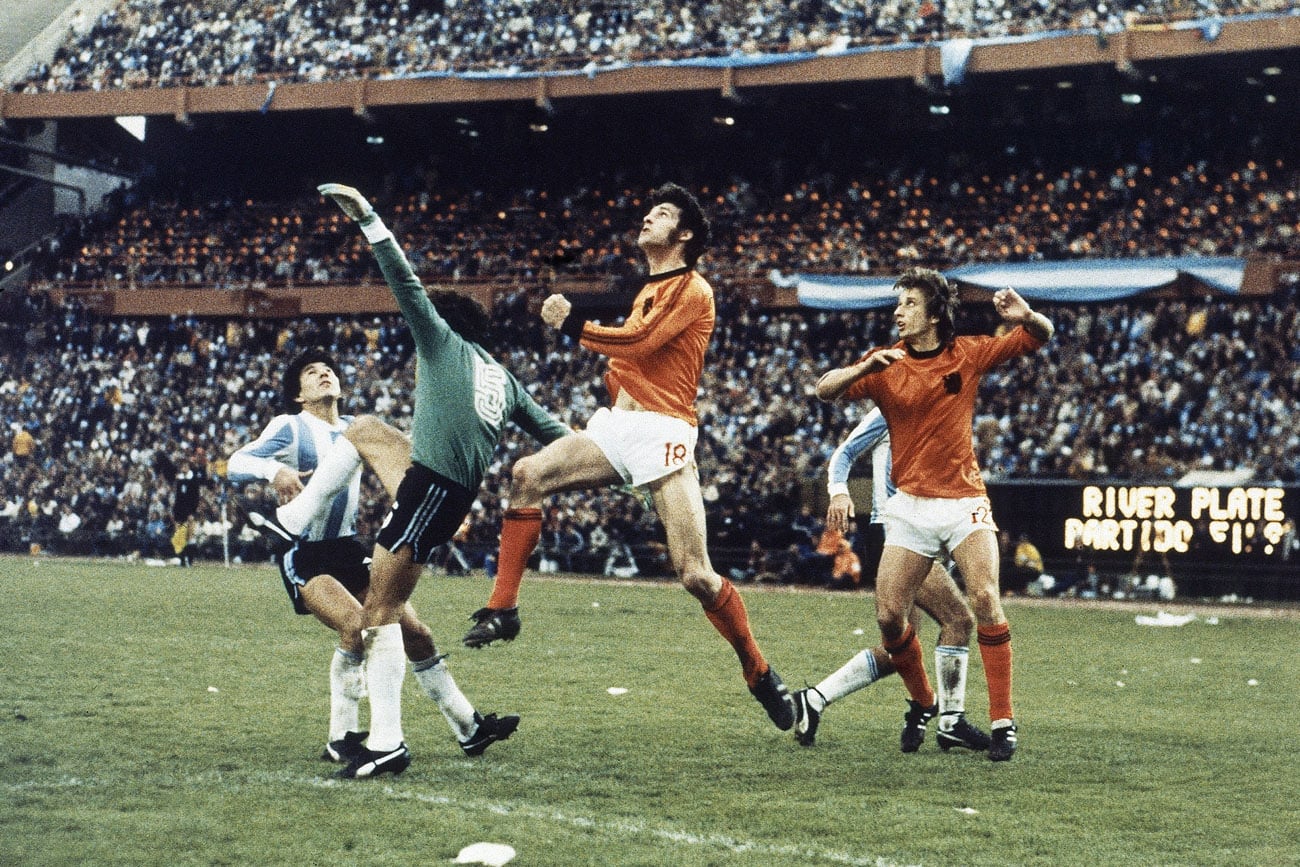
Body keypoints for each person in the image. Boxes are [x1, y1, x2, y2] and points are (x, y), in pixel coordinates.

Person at [250, 183, 572, 778]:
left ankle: (386, 743)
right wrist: (619, 461)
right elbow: (558, 434)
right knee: (368, 430)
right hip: (439, 488)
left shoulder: (442, 343)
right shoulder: (502, 377)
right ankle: (462, 728)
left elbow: (406, 283)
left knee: (380, 613)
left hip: (429, 492)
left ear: (443, 327)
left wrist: (369, 218)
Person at [461, 182, 796, 731]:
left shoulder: (694, 289)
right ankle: (504, 609)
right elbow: (634, 356)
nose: (646, 218)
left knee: (695, 575)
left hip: (663, 432)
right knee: (527, 474)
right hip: (621, 428)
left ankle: (759, 671)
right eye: (647, 210)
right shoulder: (650, 285)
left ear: (684, 234)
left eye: (660, 214)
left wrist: (572, 323)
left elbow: (639, 343)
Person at [229, 348, 521, 769]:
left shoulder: (355, 429)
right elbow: (238, 461)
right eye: (312, 373)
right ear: (298, 395)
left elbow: (404, 472)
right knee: (355, 624)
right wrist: (273, 472)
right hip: (305, 551)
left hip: (348, 548)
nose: (324, 374)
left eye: (329, 369)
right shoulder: (290, 427)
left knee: (416, 632)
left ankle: (469, 728)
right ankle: (341, 736)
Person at [815, 267, 1053, 761]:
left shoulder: (966, 352)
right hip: (909, 510)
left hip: (964, 501)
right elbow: (823, 389)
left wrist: (1024, 315)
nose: (898, 312)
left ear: (933, 313)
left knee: (985, 597)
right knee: (887, 617)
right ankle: (929, 705)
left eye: (907, 304)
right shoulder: (885, 363)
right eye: (897, 304)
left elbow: (1039, 336)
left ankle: (1003, 722)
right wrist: (861, 370)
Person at [792, 406, 989, 753]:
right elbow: (846, 451)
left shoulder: (936, 403)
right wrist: (838, 490)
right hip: (896, 531)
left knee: (898, 647)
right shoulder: (895, 401)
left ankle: (815, 699)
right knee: (958, 619)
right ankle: (950, 721)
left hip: (909, 530)